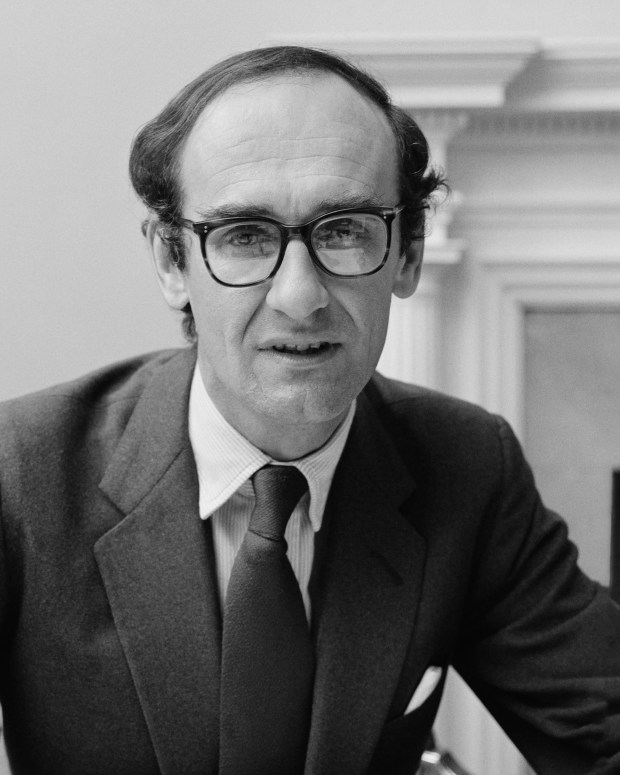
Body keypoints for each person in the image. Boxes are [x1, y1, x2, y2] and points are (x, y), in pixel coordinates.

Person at [1, 45, 619, 775]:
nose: (300, 296)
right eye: (244, 236)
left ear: (409, 251)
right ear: (172, 262)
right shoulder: (20, 474)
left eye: (346, 229)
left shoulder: (467, 464)